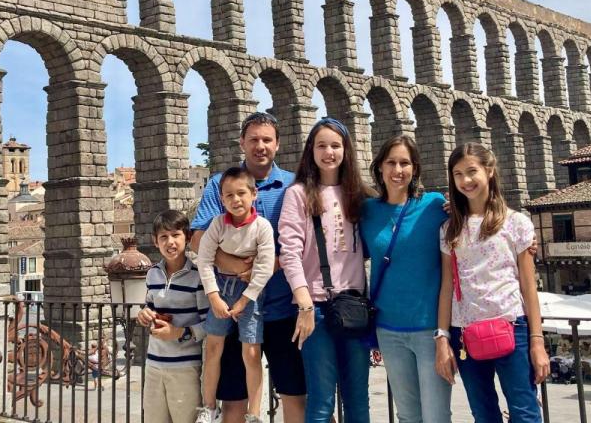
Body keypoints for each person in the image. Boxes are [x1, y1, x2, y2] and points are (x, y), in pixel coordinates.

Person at [191, 112, 306, 423]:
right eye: (253, 139)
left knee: (295, 397)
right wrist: (231, 263)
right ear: (241, 142)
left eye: (267, 139)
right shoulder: (221, 183)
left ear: (277, 144)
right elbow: (198, 238)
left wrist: (268, 266)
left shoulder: (293, 186)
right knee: (233, 404)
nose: (260, 146)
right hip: (232, 312)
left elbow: (305, 244)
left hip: (282, 309)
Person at [434, 143, 550, 423]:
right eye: (458, 174)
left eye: (472, 171)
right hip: (465, 333)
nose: (466, 180)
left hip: (512, 326)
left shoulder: (517, 223)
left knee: (525, 412)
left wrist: (537, 341)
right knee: (483, 414)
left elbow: (528, 286)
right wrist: (442, 338)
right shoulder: (449, 229)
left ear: (489, 170)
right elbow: (447, 287)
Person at [278, 117, 372, 423]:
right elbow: (289, 252)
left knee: (358, 400)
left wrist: (445, 208)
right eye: (321, 145)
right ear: (311, 150)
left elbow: (397, 212)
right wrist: (304, 304)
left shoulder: (361, 195)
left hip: (355, 306)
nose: (329, 152)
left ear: (346, 150)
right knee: (320, 401)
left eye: (335, 145)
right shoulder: (298, 194)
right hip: (316, 309)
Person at [359, 135, 452, 423]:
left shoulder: (435, 205)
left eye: (404, 163)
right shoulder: (368, 211)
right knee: (408, 416)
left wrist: (522, 241)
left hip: (430, 330)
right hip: (388, 329)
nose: (397, 170)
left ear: (415, 168)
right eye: (391, 163)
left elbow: (471, 226)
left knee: (436, 417)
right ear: (380, 167)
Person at [197, 167, 275, 423]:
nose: (236, 199)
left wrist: (244, 300)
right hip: (220, 288)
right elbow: (204, 259)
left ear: (254, 194)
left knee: (251, 352)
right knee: (213, 348)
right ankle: (209, 407)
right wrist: (214, 297)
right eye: (229, 195)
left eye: (241, 193)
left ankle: (254, 413)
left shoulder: (262, 227)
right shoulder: (218, 224)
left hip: (250, 293)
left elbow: (265, 268)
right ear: (222, 199)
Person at [137, 210, 209, 423]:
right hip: (153, 365)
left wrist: (181, 333)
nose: (170, 242)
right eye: (164, 237)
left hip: (185, 368)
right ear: (155, 241)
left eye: (176, 235)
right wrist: (144, 314)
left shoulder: (198, 277)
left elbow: (210, 324)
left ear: (187, 237)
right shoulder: (152, 274)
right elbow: (149, 306)